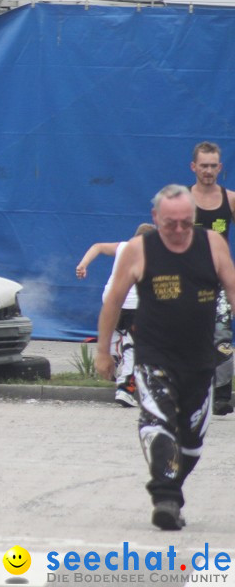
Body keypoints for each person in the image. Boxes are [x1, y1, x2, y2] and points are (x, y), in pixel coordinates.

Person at [97, 184, 235, 531]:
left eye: (185, 223)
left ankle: (171, 492)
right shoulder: (139, 250)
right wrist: (103, 352)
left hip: (200, 359)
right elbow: (113, 301)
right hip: (154, 356)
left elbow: (233, 289)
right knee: (159, 425)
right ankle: (165, 498)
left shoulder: (212, 245)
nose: (178, 231)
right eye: (170, 223)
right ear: (155, 218)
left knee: (191, 442)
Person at [76, 223, 156, 407]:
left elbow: (97, 246)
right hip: (134, 305)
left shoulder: (123, 247)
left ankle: (113, 365)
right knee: (133, 346)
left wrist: (83, 264)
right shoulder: (155, 253)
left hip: (111, 302)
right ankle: (125, 389)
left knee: (115, 339)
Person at [189, 141, 235, 415]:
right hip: (187, 280)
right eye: (203, 165)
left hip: (219, 281)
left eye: (212, 166)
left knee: (222, 336)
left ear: (220, 167)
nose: (208, 171)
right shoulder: (181, 199)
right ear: (193, 167)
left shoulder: (229, 200)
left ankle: (221, 395)